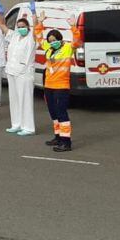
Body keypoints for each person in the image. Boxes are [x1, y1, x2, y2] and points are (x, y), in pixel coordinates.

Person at [36, 11, 79, 152]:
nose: (52, 42)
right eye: (50, 40)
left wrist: (73, 26)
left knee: (61, 113)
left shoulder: (67, 48)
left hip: (61, 86)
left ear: (60, 39)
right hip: (49, 86)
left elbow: (77, 41)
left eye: (54, 39)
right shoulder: (49, 49)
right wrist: (40, 23)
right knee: (53, 112)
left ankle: (66, 142)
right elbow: (38, 37)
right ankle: (58, 137)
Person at [0, 11, 37, 136]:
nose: (21, 29)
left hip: (24, 73)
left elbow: (36, 27)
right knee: (14, 100)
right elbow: (1, 25)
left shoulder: (31, 37)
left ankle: (29, 127)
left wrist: (34, 14)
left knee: (25, 100)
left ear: (28, 28)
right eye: (19, 27)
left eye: (23, 27)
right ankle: (17, 124)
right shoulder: (14, 36)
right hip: (12, 71)